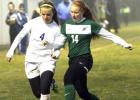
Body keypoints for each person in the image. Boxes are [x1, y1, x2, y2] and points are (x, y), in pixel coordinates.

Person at [60, 1, 133, 100]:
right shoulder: (67, 24)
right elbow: (60, 42)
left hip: (85, 59)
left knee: (68, 78)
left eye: (76, 12)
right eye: (72, 12)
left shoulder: (90, 24)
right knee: (83, 93)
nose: (73, 15)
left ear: (83, 11)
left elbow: (109, 35)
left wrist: (125, 44)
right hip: (72, 61)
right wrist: (53, 49)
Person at [6, 1, 65, 100]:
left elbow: (59, 47)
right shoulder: (33, 22)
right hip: (31, 60)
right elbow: (20, 35)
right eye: (43, 14)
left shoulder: (56, 28)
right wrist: (11, 51)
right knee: (38, 94)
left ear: (53, 13)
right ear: (40, 13)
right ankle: (51, 82)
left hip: (47, 60)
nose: (46, 17)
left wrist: (56, 53)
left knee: (44, 92)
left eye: (48, 15)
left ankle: (48, 83)